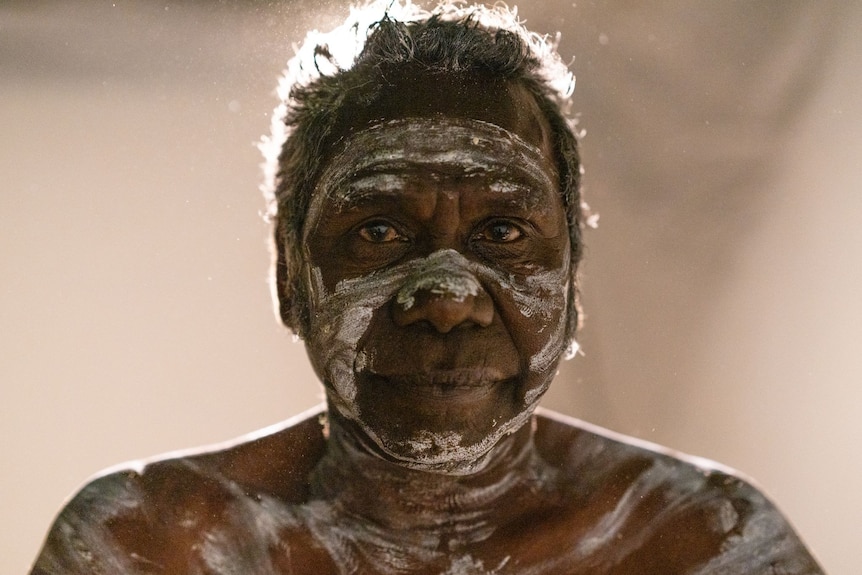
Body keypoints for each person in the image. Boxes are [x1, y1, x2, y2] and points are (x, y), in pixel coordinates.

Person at [31, 2, 824, 573]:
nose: (447, 296)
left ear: (572, 276)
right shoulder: (152, 544)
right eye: (378, 231)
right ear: (289, 276)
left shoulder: (703, 543)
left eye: (503, 233)